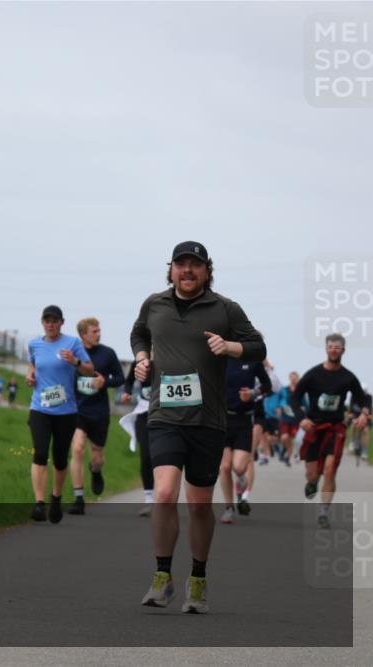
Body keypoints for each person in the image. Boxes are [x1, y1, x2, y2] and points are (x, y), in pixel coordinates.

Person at [131, 241, 266, 614]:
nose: (187, 271)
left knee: (200, 504)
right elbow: (139, 332)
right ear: (171, 268)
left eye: (195, 265)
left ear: (207, 270)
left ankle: (199, 577)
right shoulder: (154, 303)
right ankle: (162, 577)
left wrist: (230, 347)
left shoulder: (225, 308)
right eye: (181, 264)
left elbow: (257, 346)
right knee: (163, 493)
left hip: (207, 420)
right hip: (164, 415)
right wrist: (142, 358)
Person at [290, 333, 369, 528]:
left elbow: (363, 398)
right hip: (314, 428)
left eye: (338, 347)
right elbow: (295, 398)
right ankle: (312, 483)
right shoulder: (313, 374)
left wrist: (364, 414)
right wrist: (302, 419)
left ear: (343, 350)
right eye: (331, 346)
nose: (334, 350)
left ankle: (324, 512)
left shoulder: (348, 377)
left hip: (335, 429)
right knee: (312, 475)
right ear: (326, 349)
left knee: (330, 470)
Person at [26, 305, 94, 523]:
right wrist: (31, 376)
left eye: (55, 320)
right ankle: (39, 503)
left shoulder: (72, 343)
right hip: (40, 408)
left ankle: (56, 496)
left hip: (66, 411)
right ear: (42, 322)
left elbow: (90, 370)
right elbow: (34, 365)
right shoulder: (34, 344)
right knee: (40, 452)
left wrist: (75, 362)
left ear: (61, 323)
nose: (51, 324)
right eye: (47, 320)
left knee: (60, 458)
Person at [68, 317, 124, 514]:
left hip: (99, 412)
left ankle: (96, 471)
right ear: (83, 335)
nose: (98, 334)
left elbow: (120, 378)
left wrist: (104, 383)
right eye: (94, 331)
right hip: (78, 411)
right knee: (77, 448)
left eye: (99, 330)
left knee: (97, 457)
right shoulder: (74, 355)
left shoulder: (108, 354)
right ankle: (79, 498)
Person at [218, 359, 271, 524]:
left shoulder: (253, 362)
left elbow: (267, 385)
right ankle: (228, 508)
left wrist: (253, 394)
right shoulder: (221, 360)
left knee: (240, 467)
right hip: (222, 419)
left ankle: (241, 480)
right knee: (225, 466)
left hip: (244, 421)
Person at [121, 363, 153, 516]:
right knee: (146, 456)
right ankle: (149, 500)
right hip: (144, 412)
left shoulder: (171, 353)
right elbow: (128, 381)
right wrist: (127, 392)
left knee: (164, 457)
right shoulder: (141, 359)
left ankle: (166, 496)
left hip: (168, 413)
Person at [277, 371, 303, 463]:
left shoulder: (301, 390)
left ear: (298, 378)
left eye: (295, 377)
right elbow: (280, 399)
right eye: (292, 377)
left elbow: (305, 403)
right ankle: (284, 449)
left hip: (295, 419)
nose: (293, 379)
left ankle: (288, 456)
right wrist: (279, 407)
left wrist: (303, 408)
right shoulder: (284, 389)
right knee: (284, 437)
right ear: (289, 378)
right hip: (285, 418)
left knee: (293, 439)